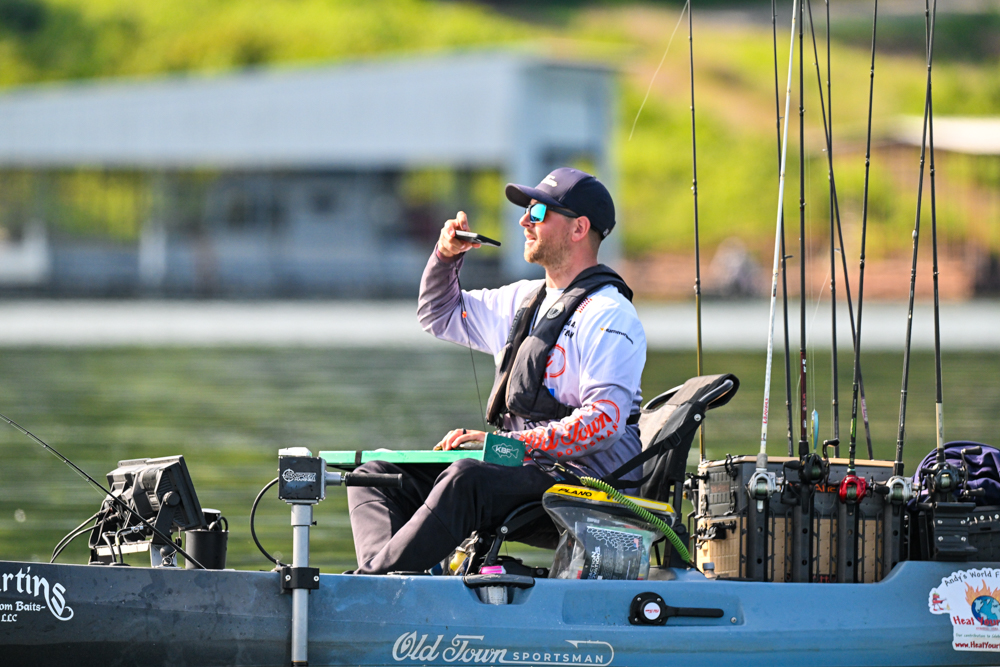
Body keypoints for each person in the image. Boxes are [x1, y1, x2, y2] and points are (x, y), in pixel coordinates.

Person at [346, 167, 646, 575]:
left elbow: (604, 424)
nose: (524, 220)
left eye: (538, 212)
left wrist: (505, 445)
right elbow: (438, 314)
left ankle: (374, 583)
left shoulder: (611, 315)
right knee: (375, 475)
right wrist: (445, 258)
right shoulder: (521, 299)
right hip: (524, 472)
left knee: (466, 477)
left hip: (588, 489)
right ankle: (391, 582)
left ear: (579, 228)